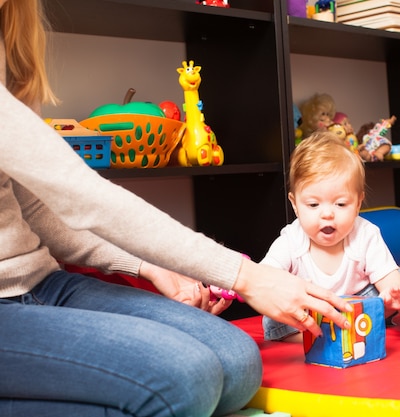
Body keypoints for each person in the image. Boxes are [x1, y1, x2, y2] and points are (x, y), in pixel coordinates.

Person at [0, 1, 353, 416]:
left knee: (237, 364)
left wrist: (151, 267)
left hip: (43, 285)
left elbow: (42, 213)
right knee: (188, 380)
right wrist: (248, 277)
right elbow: (87, 197)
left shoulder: (10, 52)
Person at [261, 132, 400, 343]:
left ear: (358, 203)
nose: (327, 214)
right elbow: (264, 277)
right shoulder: (291, 241)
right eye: (313, 205)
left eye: (340, 204)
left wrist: (390, 297)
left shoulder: (365, 234)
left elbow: (388, 281)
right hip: (308, 316)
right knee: (273, 314)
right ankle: (330, 337)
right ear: (295, 204)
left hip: (359, 306)